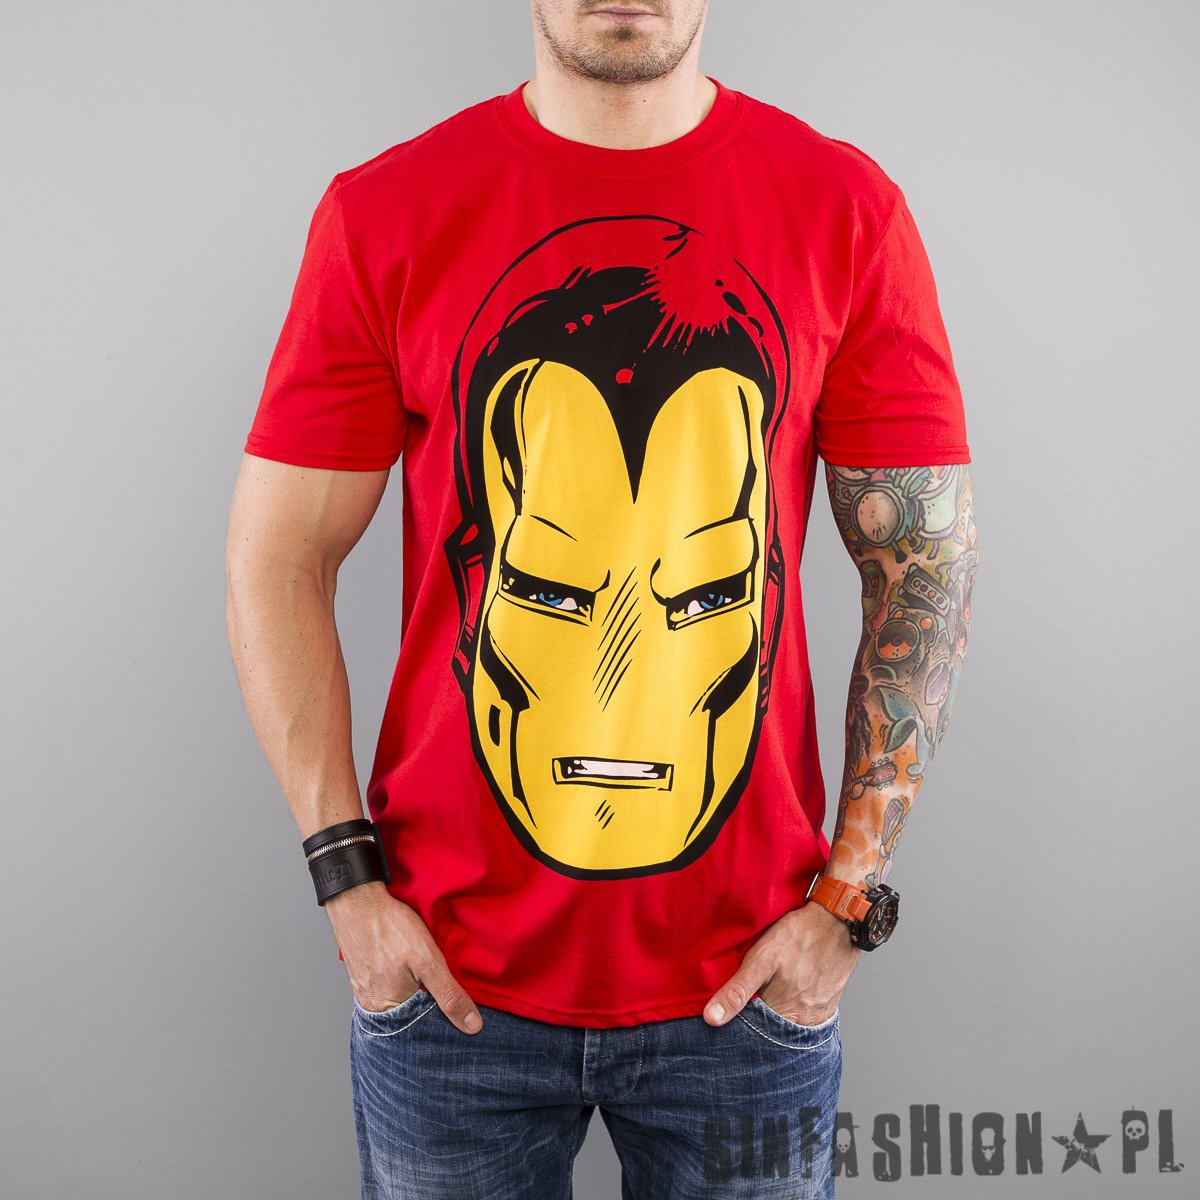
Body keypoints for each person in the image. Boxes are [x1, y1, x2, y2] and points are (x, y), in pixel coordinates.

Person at [224, 2, 977, 1196]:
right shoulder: (386, 214)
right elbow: (277, 557)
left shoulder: (844, 211)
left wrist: (849, 896)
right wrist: (346, 882)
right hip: (446, 989)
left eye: (704, 593)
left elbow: (923, 569)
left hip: (750, 994)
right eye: (550, 588)